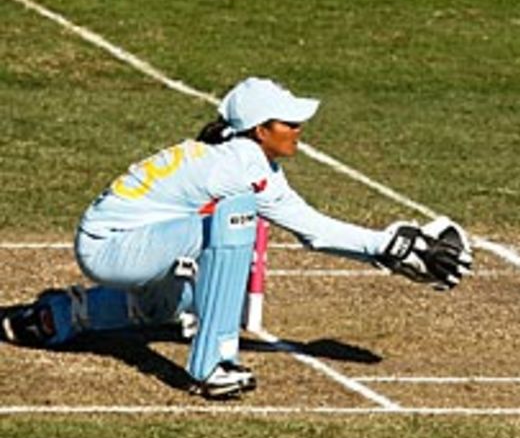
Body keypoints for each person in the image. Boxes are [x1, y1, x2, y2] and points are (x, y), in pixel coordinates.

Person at [1, 77, 474, 399]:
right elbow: (312, 231)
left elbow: (310, 226)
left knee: (171, 304)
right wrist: (390, 248)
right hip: (115, 247)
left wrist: (387, 248)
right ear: (259, 129)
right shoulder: (239, 165)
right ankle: (212, 365)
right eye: (288, 123)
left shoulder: (238, 154)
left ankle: (57, 316)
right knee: (236, 218)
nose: (299, 130)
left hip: (119, 242)